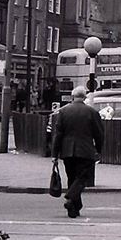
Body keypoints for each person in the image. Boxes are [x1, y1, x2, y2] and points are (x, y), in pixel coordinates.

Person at [51, 86, 103, 218]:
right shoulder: (91, 112)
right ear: (84, 97)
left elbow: (58, 134)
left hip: (67, 151)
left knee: (72, 178)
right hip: (85, 150)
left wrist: (54, 154)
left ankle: (74, 208)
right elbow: (99, 134)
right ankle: (70, 197)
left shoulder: (63, 112)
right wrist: (99, 149)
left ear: (72, 96)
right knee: (82, 178)